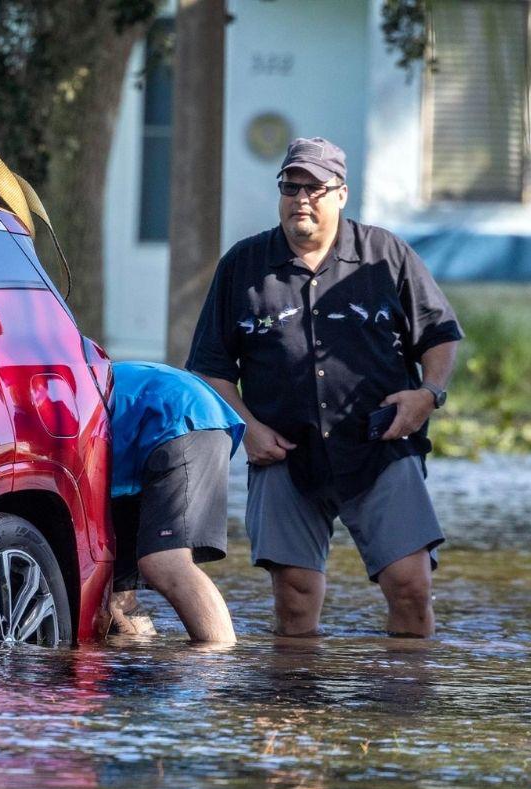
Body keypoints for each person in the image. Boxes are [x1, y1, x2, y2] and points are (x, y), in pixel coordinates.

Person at [186, 137, 462, 638]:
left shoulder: (386, 255)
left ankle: (403, 709)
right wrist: (247, 428)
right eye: (291, 187)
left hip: (380, 447)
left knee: (411, 587)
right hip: (285, 453)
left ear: (341, 194)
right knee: (293, 597)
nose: (301, 199)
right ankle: (298, 708)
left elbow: (440, 336)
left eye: (315, 188)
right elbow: (210, 367)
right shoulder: (243, 266)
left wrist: (428, 395)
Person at [105, 361, 245, 643]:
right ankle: (136, 656)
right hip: (143, 439)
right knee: (110, 585)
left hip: (179, 417)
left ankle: (216, 667)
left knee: (164, 562)